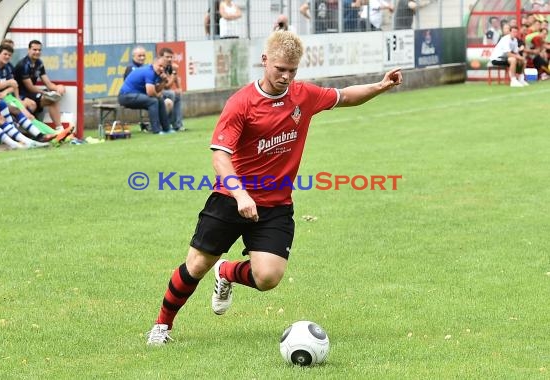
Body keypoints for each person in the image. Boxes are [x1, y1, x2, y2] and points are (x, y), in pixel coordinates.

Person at [146, 30, 402, 345]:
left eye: (292, 70)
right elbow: (220, 157)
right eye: (280, 68)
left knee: (268, 278)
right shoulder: (241, 103)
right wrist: (240, 195)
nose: (286, 76)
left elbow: (345, 96)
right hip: (230, 199)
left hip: (275, 204)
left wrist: (380, 85)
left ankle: (227, 272)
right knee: (196, 265)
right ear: (265, 60)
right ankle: (162, 326)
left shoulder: (303, 95)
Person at [13, 40, 66, 131]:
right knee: (50, 99)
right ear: (28, 50)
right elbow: (30, 87)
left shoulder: (39, 63)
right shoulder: (23, 65)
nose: (37, 52)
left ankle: (60, 129)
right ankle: (23, 128)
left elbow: (48, 84)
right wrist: (46, 93)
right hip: (21, 95)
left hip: (31, 94)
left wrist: (58, 87)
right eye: (34, 49)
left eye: (39, 50)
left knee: (53, 99)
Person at [118, 57, 172, 134]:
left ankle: (167, 129)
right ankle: (156, 130)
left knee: (159, 100)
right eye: (160, 66)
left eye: (164, 67)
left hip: (135, 95)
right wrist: (158, 95)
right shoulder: (149, 72)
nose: (162, 69)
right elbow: (150, 92)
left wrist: (163, 81)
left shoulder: (156, 73)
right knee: (153, 101)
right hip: (125, 96)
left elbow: (156, 90)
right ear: (154, 64)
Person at [0, 44, 37, 114]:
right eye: (5, 54)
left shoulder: (6, 67)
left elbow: (14, 85)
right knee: (23, 111)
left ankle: (21, 121)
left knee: (32, 104)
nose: (7, 56)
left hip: (5, 95)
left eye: (9, 55)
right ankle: (22, 119)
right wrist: (9, 82)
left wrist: (5, 92)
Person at [158, 48, 186, 132]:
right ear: (161, 57)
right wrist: (174, 72)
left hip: (163, 91)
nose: (169, 59)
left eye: (171, 57)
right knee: (171, 94)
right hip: (156, 91)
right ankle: (169, 123)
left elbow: (176, 80)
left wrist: (179, 88)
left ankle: (178, 124)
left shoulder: (169, 67)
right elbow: (166, 86)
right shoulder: (159, 67)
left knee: (177, 94)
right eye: (167, 57)